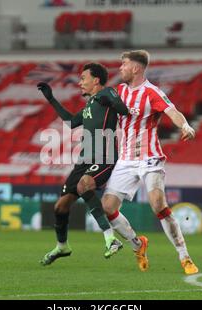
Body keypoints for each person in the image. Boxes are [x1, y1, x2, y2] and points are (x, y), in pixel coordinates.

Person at [100, 50, 199, 275]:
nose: (120, 69)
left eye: (124, 65)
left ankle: (184, 257)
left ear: (136, 68)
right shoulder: (119, 91)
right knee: (107, 207)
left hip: (149, 157)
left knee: (157, 203)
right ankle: (137, 245)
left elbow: (172, 111)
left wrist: (185, 126)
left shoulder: (151, 92)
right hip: (125, 159)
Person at [37, 62, 134, 266]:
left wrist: (113, 98)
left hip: (104, 157)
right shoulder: (90, 105)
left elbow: (124, 110)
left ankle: (110, 238)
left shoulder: (106, 94)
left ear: (96, 80)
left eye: (83, 78)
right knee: (61, 207)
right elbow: (71, 122)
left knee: (84, 185)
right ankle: (62, 246)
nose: (80, 82)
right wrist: (51, 99)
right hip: (83, 161)